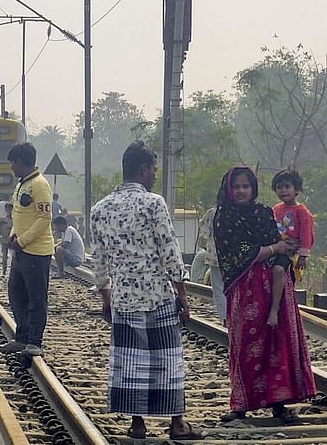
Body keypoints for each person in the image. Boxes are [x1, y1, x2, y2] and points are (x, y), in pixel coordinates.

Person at [90, 141, 201, 440]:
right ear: (142, 170)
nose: (154, 174)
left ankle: (137, 424)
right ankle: (177, 423)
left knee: (130, 361)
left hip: (124, 298)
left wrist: (105, 297)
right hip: (158, 296)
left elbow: (98, 260)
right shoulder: (154, 203)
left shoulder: (99, 209)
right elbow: (170, 251)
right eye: (153, 169)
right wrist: (182, 294)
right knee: (168, 358)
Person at [213, 166, 313, 424]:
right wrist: (273, 248)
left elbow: (281, 246)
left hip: (274, 289)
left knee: (276, 343)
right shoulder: (225, 217)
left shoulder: (264, 213)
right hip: (244, 288)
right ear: (229, 189)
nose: (241, 191)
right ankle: (240, 404)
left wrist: (279, 250)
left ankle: (279, 403)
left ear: (253, 188)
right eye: (237, 187)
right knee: (245, 344)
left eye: (246, 186)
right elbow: (240, 251)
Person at [0, 143, 54, 358]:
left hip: (36, 252)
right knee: (16, 293)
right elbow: (19, 216)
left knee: (36, 299)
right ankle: (21, 337)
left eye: (13, 162)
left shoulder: (39, 185)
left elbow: (44, 218)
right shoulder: (22, 184)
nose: (11, 167)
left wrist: (23, 241)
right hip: (21, 251)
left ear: (20, 161)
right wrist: (14, 235)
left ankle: (35, 341)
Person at [271, 168, 314, 283]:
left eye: (287, 186)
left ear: (297, 189)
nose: (283, 190)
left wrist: (303, 256)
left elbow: (306, 235)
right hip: (276, 247)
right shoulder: (275, 209)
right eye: (279, 187)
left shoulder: (302, 212)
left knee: (283, 274)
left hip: (291, 251)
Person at [192, 206, 226, 322]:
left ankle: (224, 318)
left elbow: (205, 232)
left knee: (219, 289)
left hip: (215, 256)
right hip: (235, 258)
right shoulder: (240, 210)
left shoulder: (213, 212)